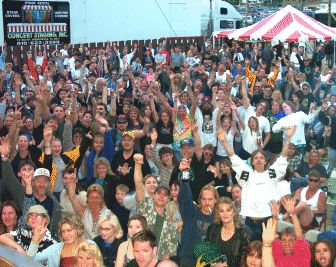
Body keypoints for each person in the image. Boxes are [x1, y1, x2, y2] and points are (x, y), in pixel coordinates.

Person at [217, 125, 295, 240]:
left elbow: (282, 158)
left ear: (265, 161)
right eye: (256, 158)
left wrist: (288, 138)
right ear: (252, 162)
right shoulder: (246, 175)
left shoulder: (271, 174)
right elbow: (233, 157)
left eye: (261, 158)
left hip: (268, 220)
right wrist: (224, 141)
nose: (259, 159)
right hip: (249, 222)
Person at [133, 153, 178, 260]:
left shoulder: (171, 224)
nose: (161, 196)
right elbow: (139, 184)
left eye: (165, 194)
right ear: (154, 195)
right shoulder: (145, 206)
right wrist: (138, 164)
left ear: (168, 199)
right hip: (139, 258)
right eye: (159, 193)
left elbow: (168, 252)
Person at [177, 157, 219, 266]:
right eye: (204, 199)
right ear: (200, 200)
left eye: (210, 199)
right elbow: (185, 195)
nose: (207, 202)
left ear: (215, 200)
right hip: (188, 259)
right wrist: (185, 174)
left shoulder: (219, 218)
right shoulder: (191, 212)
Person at [206, 197, 253, 267]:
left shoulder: (245, 232)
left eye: (228, 210)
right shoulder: (212, 229)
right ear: (218, 214)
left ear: (234, 212)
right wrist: (214, 265)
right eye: (221, 211)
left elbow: (250, 260)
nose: (225, 214)